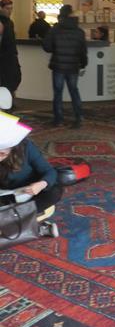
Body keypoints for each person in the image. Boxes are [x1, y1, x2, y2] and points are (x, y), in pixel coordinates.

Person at [0, 90, 61, 238]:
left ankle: (10, 223)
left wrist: (40, 184)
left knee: (54, 191)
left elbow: (49, 172)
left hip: (27, 193)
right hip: (4, 197)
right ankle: (35, 227)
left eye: (2, 154)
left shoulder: (26, 146)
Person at [43, 4, 88, 128]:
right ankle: (79, 117)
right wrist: (83, 64)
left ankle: (59, 120)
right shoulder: (79, 31)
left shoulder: (55, 29)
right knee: (74, 91)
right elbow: (83, 51)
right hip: (73, 66)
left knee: (58, 93)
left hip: (58, 66)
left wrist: (56, 48)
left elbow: (46, 47)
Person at [0, 0, 21, 101]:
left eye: (11, 8)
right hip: (3, 58)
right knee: (6, 81)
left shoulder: (10, 22)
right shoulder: (2, 23)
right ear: (1, 8)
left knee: (15, 78)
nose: (10, 11)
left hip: (11, 56)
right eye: (7, 8)